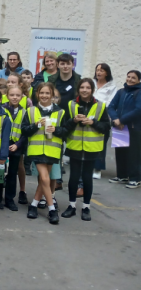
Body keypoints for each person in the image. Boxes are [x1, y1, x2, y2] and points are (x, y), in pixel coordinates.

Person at [61, 79, 110, 220]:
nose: (84, 90)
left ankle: (86, 207)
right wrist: (74, 120)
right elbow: (64, 125)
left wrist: (93, 122)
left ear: (92, 90)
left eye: (88, 87)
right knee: (74, 177)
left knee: (87, 178)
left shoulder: (100, 106)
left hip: (91, 148)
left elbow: (106, 127)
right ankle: (71, 206)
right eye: (82, 87)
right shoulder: (71, 104)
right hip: (75, 146)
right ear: (78, 89)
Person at [21, 82, 67, 224]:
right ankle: (52, 209)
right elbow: (24, 130)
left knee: (43, 179)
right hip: (36, 150)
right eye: (42, 93)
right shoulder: (31, 111)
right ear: (37, 94)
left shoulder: (61, 112)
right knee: (45, 178)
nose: (44, 95)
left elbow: (66, 131)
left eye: (47, 93)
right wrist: (36, 125)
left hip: (53, 151)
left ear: (52, 95)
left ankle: (34, 205)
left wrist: (56, 130)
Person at [0, 85, 29, 210]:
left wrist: (17, 145)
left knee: (12, 173)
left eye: (17, 95)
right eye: (12, 95)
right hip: (1, 146)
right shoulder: (1, 109)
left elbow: (25, 132)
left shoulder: (25, 112)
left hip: (16, 147)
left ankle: (9, 199)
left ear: (22, 97)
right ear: (7, 96)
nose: (15, 97)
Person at [108, 70, 141, 188]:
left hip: (133, 128)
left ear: (139, 80)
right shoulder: (121, 92)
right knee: (120, 152)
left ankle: (135, 179)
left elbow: (138, 110)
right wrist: (116, 119)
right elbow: (111, 107)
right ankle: (122, 176)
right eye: (128, 77)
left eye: (133, 78)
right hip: (120, 127)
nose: (130, 79)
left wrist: (122, 120)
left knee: (134, 154)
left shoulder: (139, 92)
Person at [93, 63, 118, 179]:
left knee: (101, 144)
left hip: (103, 118)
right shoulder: (91, 83)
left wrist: (96, 105)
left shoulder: (112, 87)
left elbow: (110, 103)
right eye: (97, 70)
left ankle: (97, 168)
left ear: (107, 73)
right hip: (88, 116)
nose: (98, 72)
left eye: (101, 70)